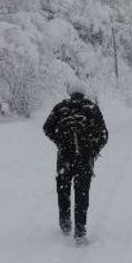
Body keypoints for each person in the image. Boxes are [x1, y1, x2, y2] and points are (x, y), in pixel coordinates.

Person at [43, 83, 108, 246]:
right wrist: (93, 150)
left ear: (70, 93)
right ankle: (80, 231)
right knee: (82, 194)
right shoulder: (91, 108)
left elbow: (47, 128)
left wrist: (60, 142)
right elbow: (104, 134)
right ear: (83, 93)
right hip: (85, 159)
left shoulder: (60, 107)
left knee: (63, 190)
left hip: (64, 158)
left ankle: (65, 224)